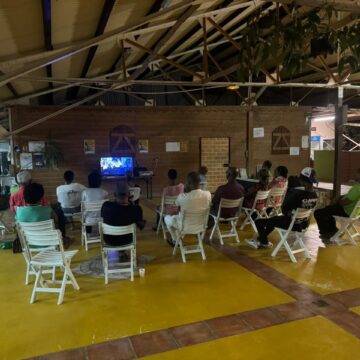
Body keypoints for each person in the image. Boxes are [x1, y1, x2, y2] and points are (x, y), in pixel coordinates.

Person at [246, 167, 318, 249]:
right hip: (302, 225)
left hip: (290, 224)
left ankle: (264, 242)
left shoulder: (298, 195)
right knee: (273, 220)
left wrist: (290, 193)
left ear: (302, 181)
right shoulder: (315, 195)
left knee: (259, 222)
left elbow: (285, 211)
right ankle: (261, 239)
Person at [165, 171, 211, 246]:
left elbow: (176, 205)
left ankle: (175, 240)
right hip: (201, 226)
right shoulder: (208, 194)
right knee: (180, 219)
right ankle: (178, 238)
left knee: (167, 218)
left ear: (188, 183)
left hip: (184, 226)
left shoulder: (182, 197)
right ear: (199, 182)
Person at [314, 168, 360, 241]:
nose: (355, 175)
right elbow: (349, 196)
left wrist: (337, 200)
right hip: (356, 214)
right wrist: (339, 198)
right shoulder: (357, 187)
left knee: (318, 212)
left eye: (357, 173)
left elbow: (345, 202)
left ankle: (326, 233)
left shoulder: (357, 188)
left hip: (346, 211)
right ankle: (333, 230)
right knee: (329, 209)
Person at [101, 182, 145, 250]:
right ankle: (122, 252)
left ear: (114, 194)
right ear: (129, 194)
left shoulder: (106, 206)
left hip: (109, 240)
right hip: (127, 240)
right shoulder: (136, 209)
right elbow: (141, 226)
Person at [82, 171, 108, 235]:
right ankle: (103, 232)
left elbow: (83, 206)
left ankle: (88, 233)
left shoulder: (85, 192)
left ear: (89, 182)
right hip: (102, 219)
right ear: (100, 182)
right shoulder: (105, 192)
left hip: (89, 220)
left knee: (87, 213)